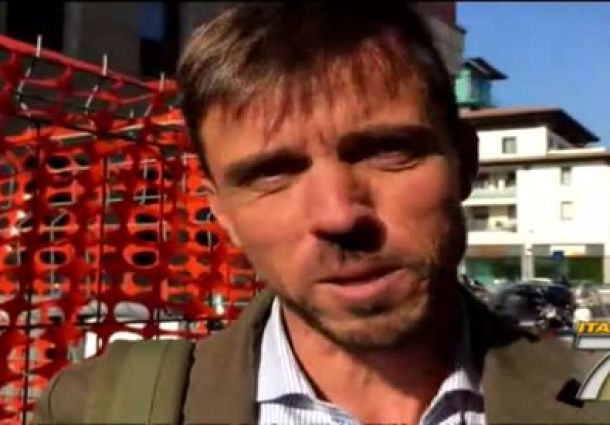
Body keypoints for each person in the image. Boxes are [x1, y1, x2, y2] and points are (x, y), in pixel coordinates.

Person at [34, 3, 610, 424]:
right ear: (222, 214)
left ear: (464, 162)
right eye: (271, 174)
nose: (338, 215)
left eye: (386, 150)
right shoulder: (96, 409)